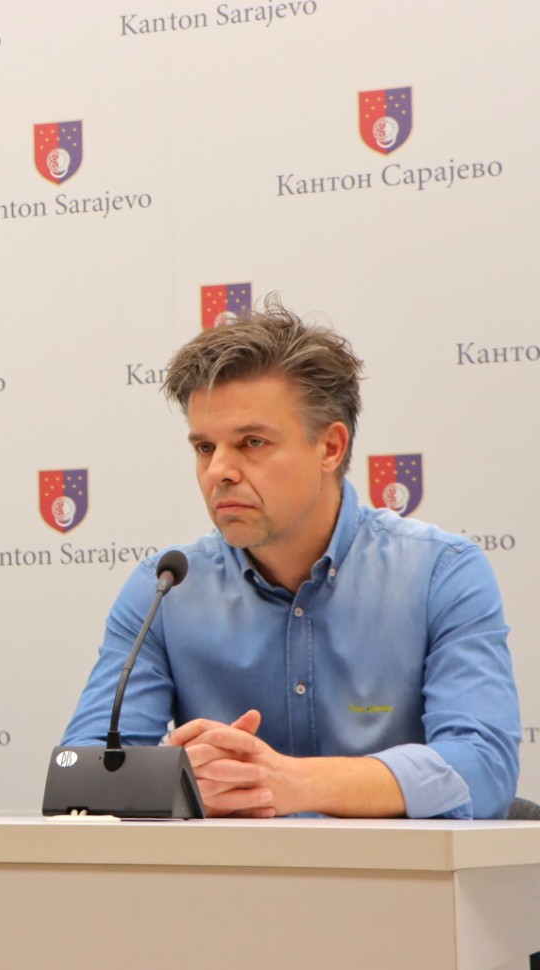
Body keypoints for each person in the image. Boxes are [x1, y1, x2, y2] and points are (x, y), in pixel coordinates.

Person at [62, 301, 519, 818]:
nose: (219, 471)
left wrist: (294, 783)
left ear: (330, 447)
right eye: (204, 447)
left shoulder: (441, 572)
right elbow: (82, 776)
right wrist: (179, 783)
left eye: (252, 442)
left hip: (390, 871)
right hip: (227, 874)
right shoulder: (165, 587)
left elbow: (483, 769)